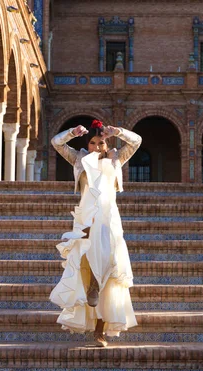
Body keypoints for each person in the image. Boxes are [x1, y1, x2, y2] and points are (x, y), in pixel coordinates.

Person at [49, 119, 142, 347]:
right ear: (87, 143)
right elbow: (56, 143)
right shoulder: (79, 158)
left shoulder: (116, 158)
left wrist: (118, 132)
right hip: (87, 218)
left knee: (110, 267)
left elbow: (136, 141)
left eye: (101, 143)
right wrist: (72, 132)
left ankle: (100, 330)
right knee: (86, 260)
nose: (97, 147)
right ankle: (91, 286)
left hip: (109, 218)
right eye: (92, 143)